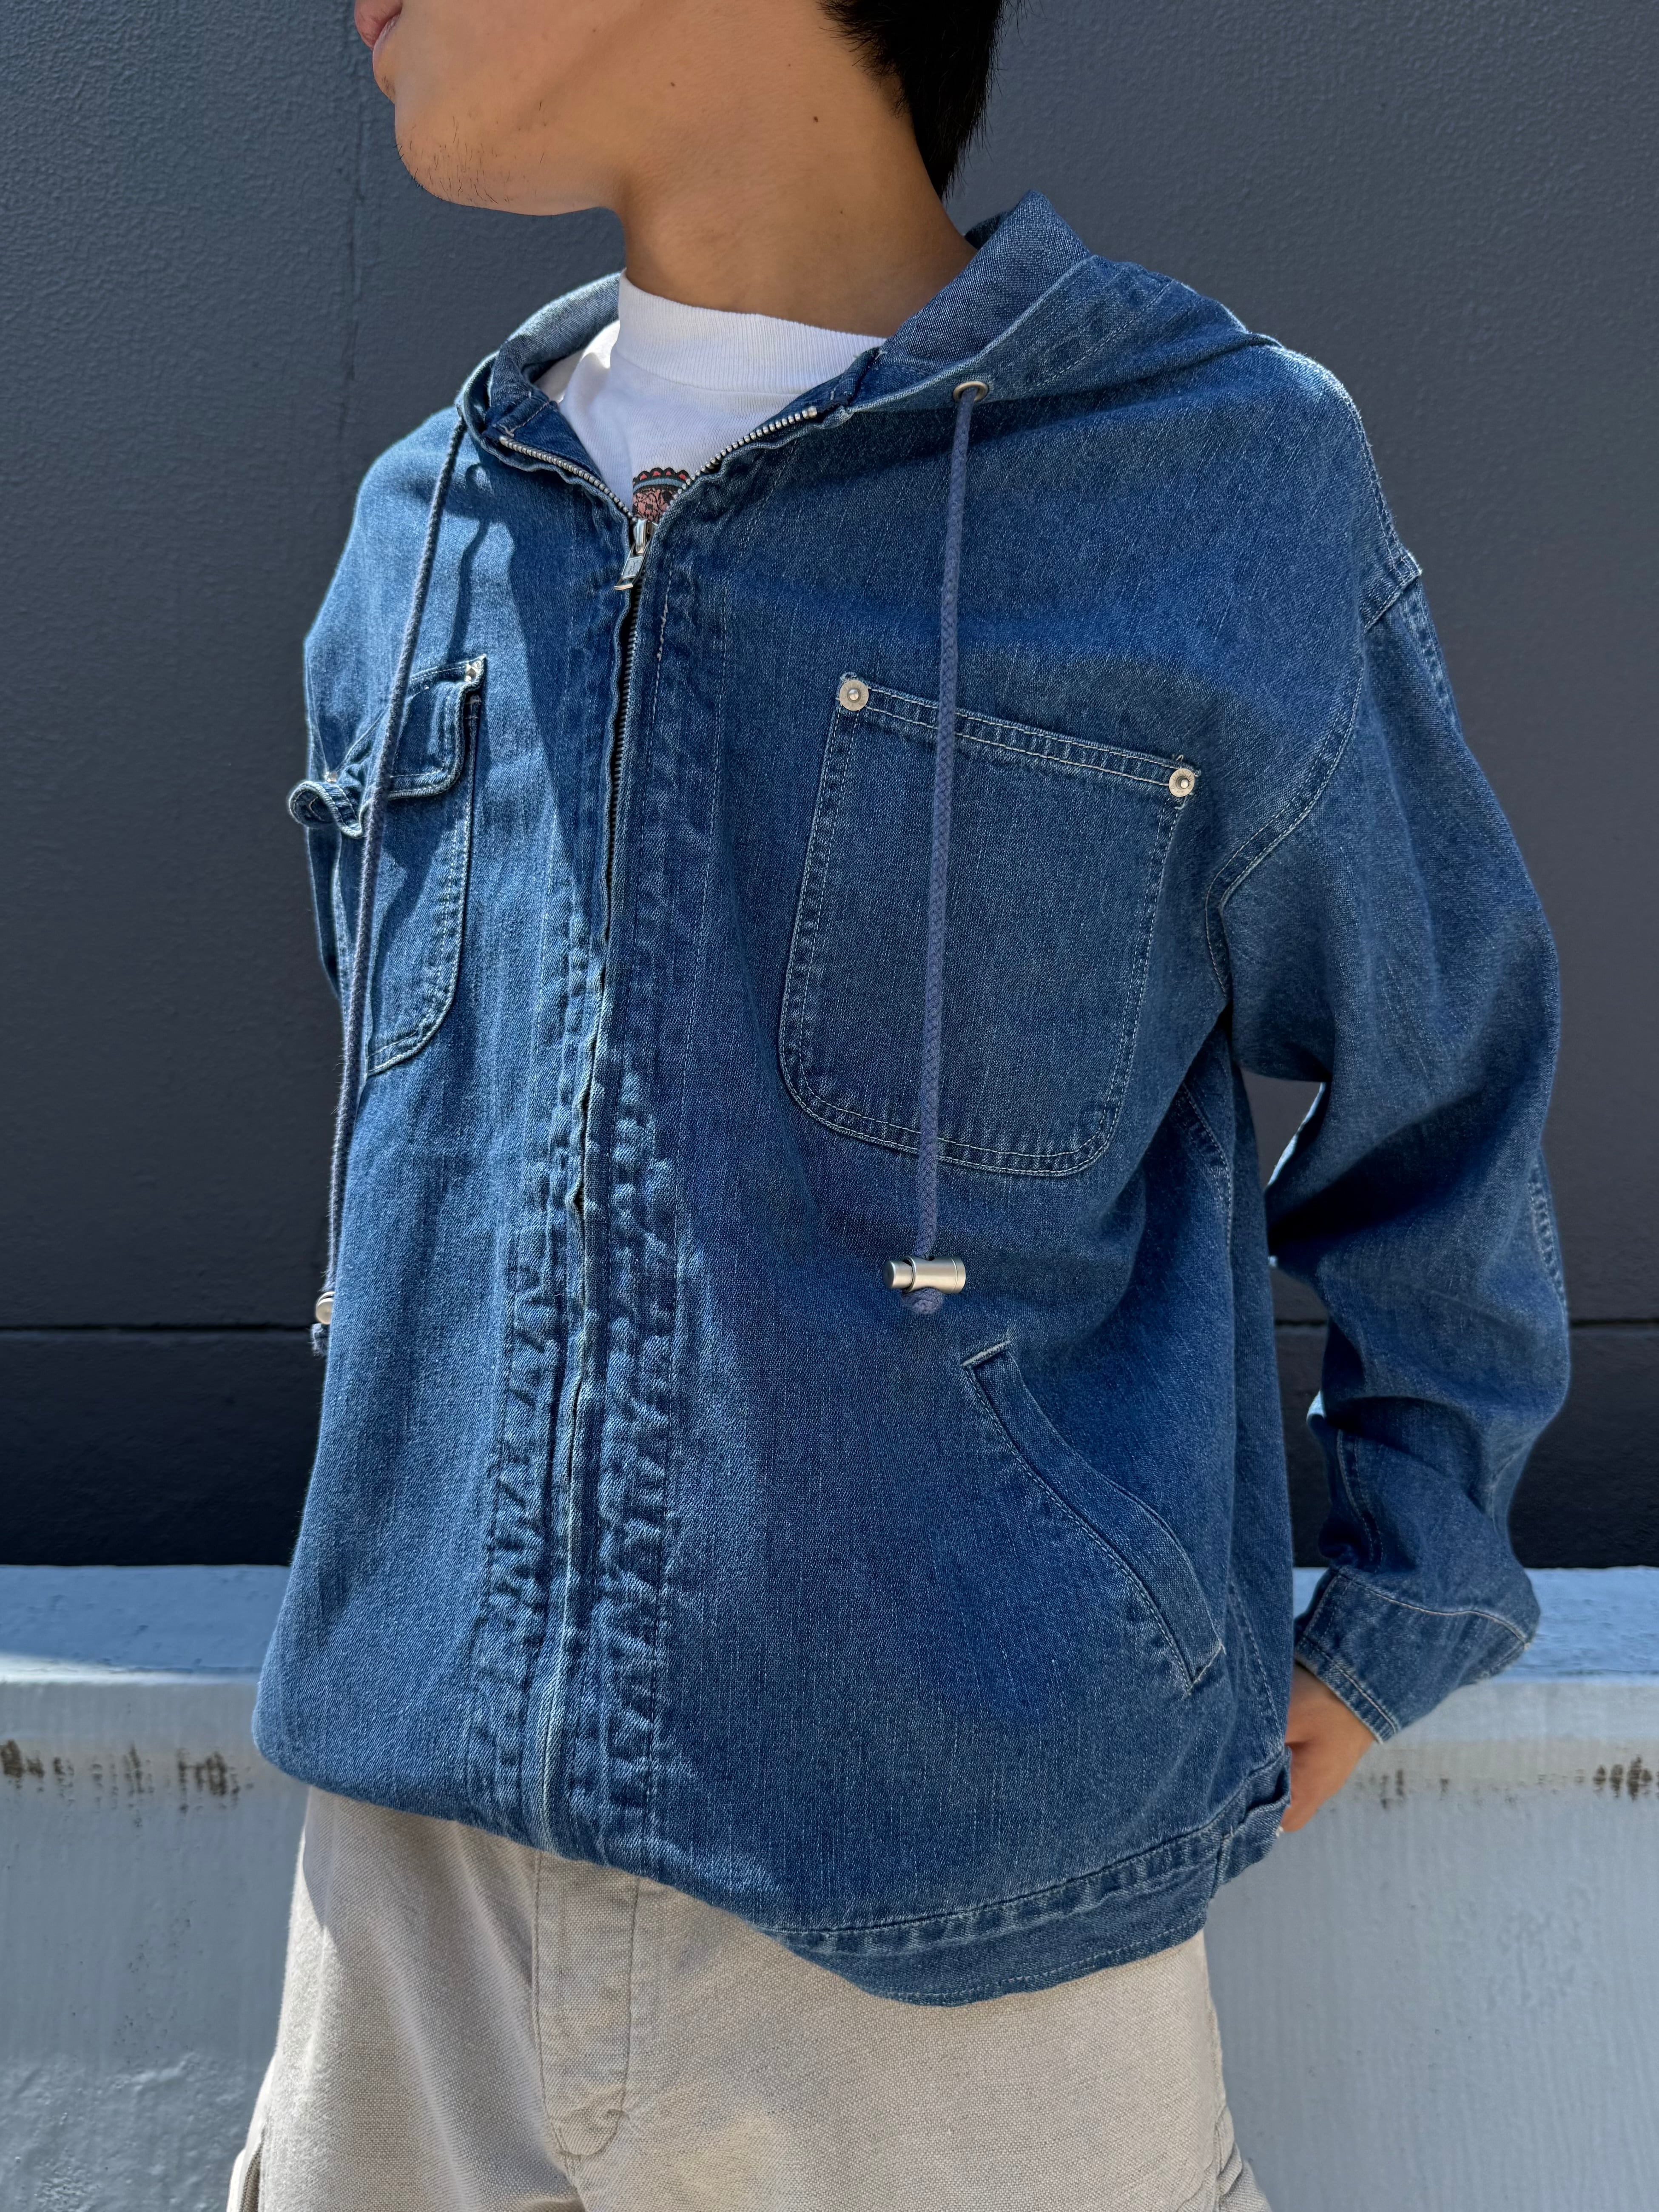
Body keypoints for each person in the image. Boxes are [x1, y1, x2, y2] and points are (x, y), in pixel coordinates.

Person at [231, 0, 1570, 2204]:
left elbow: (1446, 1067)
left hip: (968, 1929)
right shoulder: (432, 520)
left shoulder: (1201, 479)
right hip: (407, 1920)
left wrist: (1405, 1587)